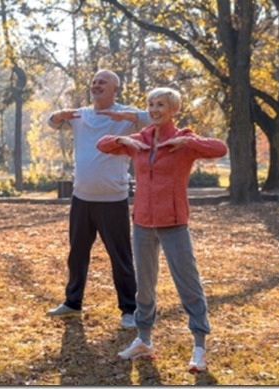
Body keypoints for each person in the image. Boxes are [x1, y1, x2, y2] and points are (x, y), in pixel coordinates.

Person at [96, 87, 228, 372]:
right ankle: (143, 340)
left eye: (161, 105)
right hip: (142, 223)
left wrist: (188, 142)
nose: (154, 109)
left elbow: (220, 148)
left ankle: (199, 347)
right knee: (144, 287)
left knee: (188, 285)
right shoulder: (139, 140)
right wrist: (121, 138)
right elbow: (103, 145)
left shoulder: (185, 141)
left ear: (173, 110)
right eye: (151, 104)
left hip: (174, 224)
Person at [45, 69, 151, 328]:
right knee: (77, 254)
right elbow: (51, 122)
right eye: (93, 82)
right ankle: (72, 302)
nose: (96, 85)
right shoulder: (82, 115)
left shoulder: (126, 115)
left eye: (102, 82)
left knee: (121, 257)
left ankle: (129, 310)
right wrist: (58, 115)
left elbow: (155, 118)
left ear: (115, 88)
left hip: (112, 199)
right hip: (81, 197)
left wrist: (125, 116)